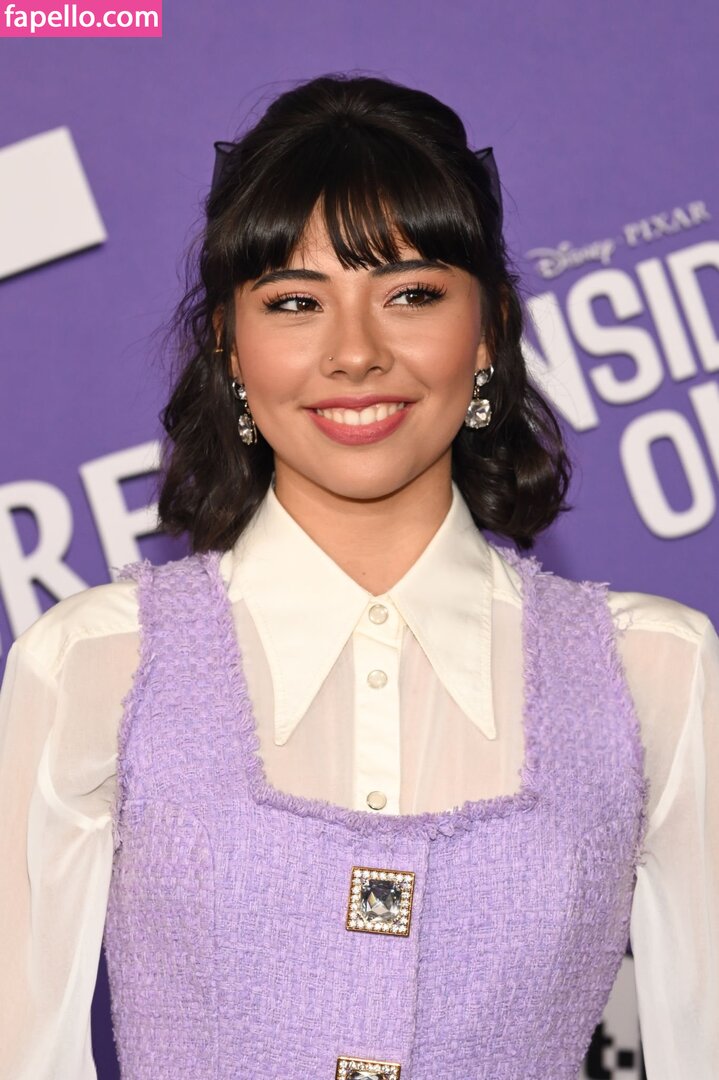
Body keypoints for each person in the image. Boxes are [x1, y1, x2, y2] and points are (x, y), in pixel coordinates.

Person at [0, 72, 716, 1080]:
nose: (354, 353)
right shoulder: (94, 665)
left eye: (410, 295)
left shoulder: (656, 670)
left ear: (487, 330)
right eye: (295, 302)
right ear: (229, 346)